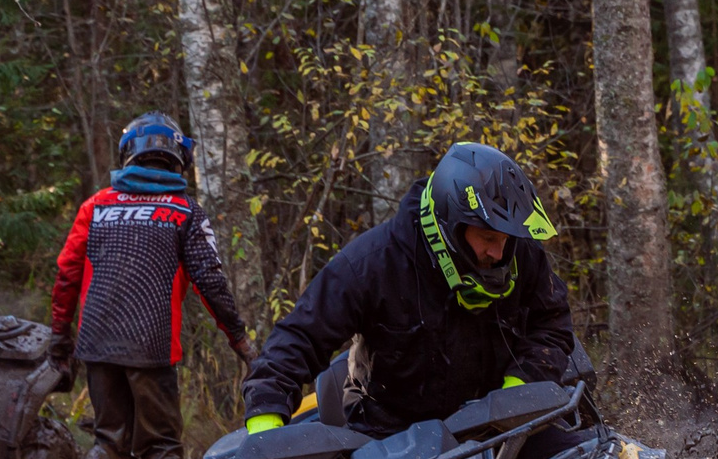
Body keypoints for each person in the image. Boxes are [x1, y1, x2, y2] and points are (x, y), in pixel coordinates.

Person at [241, 142, 575, 442]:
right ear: (451, 225)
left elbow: (553, 324)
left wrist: (515, 396)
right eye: (488, 238)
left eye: (506, 239)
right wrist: (265, 425)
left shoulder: (519, 253)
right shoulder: (372, 264)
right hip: (391, 438)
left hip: (498, 425)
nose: (499, 253)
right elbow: (299, 337)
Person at [44, 113, 253, 459]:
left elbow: (66, 274)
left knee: (112, 443)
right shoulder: (184, 212)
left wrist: (61, 341)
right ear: (180, 159)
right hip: (153, 346)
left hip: (96, 344)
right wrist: (239, 341)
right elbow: (211, 281)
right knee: (160, 448)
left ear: (129, 155)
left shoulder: (95, 206)